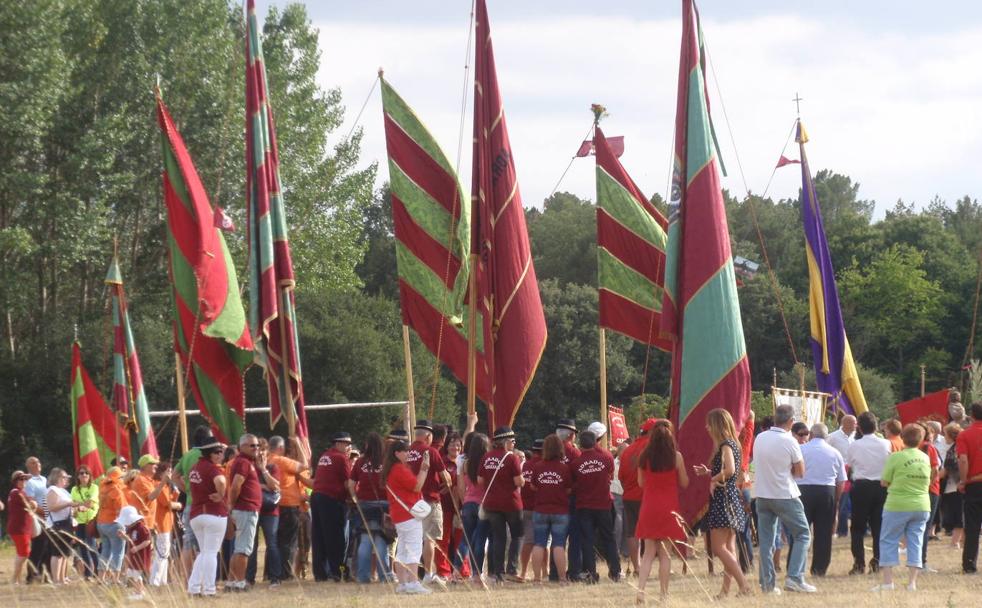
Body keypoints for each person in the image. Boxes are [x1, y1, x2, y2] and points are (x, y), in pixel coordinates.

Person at [753, 404, 815, 594]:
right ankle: (795, 578)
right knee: (803, 534)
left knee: (766, 542)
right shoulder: (789, 440)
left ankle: (767, 584)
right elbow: (800, 472)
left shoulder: (760, 438)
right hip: (784, 494)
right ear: (790, 422)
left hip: (762, 494)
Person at [698, 409, 753, 597]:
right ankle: (725, 591)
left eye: (709, 423)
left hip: (724, 499)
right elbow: (728, 470)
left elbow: (729, 470)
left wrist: (713, 478)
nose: (706, 427)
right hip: (729, 497)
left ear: (717, 425)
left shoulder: (725, 445)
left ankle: (744, 585)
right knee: (729, 548)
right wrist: (709, 472)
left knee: (718, 548)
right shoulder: (731, 444)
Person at [872, 424, 932, 592]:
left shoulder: (895, 457)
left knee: (888, 540)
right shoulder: (925, 457)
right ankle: (912, 583)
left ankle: (888, 582)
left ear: (903, 438)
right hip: (922, 504)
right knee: (915, 542)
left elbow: (884, 481)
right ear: (921, 439)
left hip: (898, 504)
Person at [635, 419, 688, 603]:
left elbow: (641, 483)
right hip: (669, 508)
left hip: (649, 506)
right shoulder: (677, 457)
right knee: (665, 554)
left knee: (648, 552)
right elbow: (684, 482)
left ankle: (640, 591)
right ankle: (663, 595)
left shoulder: (644, 456)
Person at [795, 423, 846, 577]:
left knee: (800, 532)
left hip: (803, 491)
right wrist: (836, 498)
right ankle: (819, 568)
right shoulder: (835, 452)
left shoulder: (801, 449)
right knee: (824, 532)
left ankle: (796, 567)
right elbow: (841, 480)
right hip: (826, 490)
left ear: (811, 434)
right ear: (827, 436)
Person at [383, 438, 432, 594]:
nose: (408, 453)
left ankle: (403, 583)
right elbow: (417, 486)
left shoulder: (391, 469)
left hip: (399, 514)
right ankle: (413, 582)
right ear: (397, 453)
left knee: (403, 549)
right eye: (405, 450)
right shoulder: (400, 469)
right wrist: (424, 469)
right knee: (414, 548)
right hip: (408, 514)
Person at [571, 429, 621, 583]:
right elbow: (611, 475)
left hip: (584, 506)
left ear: (581, 444)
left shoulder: (576, 463)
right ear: (595, 442)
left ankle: (591, 573)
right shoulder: (606, 457)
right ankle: (615, 571)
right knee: (609, 538)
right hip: (603, 504)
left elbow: (574, 484)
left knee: (588, 540)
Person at [846, 411, 891, 575]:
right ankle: (877, 561)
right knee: (878, 526)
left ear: (859, 428)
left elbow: (849, 465)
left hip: (861, 486)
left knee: (857, 527)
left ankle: (859, 563)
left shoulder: (854, 445)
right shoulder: (885, 443)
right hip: (881, 486)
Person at [406, 420, 450, 586]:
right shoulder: (430, 451)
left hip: (410, 501)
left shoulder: (406, 451)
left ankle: (410, 573)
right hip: (429, 500)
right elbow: (445, 476)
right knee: (429, 538)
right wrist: (447, 485)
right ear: (429, 436)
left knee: (412, 538)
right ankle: (428, 574)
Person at [478, 426, 524, 584]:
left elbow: (480, 481)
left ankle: (498, 572)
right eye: (512, 440)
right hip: (511, 503)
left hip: (491, 504)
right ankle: (511, 569)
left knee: (498, 538)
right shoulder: (512, 458)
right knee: (517, 535)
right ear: (506, 442)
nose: (514, 443)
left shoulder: (486, 457)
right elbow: (518, 481)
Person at [348, 432, 392, 584]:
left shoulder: (360, 462)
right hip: (384, 507)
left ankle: (363, 576)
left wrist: (356, 500)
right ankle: (384, 576)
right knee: (381, 542)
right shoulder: (387, 462)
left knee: (365, 541)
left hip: (365, 506)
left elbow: (351, 484)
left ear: (367, 445)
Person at [187, 436, 228, 597]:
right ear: (211, 454)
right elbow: (221, 481)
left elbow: (180, 479)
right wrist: (221, 494)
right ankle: (209, 589)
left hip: (196, 514)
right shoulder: (213, 468)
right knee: (211, 553)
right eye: (218, 452)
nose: (221, 454)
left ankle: (194, 587)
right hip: (213, 513)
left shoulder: (194, 467)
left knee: (204, 552)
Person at [172, 426, 213, 582]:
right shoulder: (207, 455)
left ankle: (188, 579)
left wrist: (188, 491)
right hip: (206, 505)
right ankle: (202, 579)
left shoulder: (187, 456)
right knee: (207, 544)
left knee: (188, 541)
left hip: (190, 503)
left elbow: (175, 476)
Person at [530, 434, 572, 583]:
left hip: (541, 509)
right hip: (560, 511)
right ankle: (562, 578)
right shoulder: (564, 468)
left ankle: (536, 578)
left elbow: (533, 486)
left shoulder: (538, 467)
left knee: (539, 543)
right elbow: (568, 489)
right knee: (559, 545)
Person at [311, 431, 353, 581]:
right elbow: (349, 483)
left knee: (319, 537)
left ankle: (320, 573)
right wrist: (353, 498)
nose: (349, 447)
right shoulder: (341, 458)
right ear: (338, 443)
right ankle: (338, 572)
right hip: (331, 499)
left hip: (317, 497)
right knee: (335, 538)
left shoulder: (324, 456)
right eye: (347, 444)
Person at [268, 434, 310, 581]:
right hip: (289, 504)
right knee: (288, 542)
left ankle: (271, 573)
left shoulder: (266, 459)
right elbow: (305, 465)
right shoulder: (281, 460)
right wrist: (299, 444)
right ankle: (285, 573)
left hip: (273, 505)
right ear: (280, 448)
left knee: (275, 541)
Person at [226, 433, 265, 590]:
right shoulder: (243, 462)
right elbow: (236, 485)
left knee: (239, 548)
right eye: (252, 445)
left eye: (257, 445)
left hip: (244, 509)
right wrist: (232, 505)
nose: (256, 448)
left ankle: (232, 581)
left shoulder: (247, 462)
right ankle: (240, 582)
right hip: (246, 509)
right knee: (244, 549)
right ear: (241, 447)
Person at [619, 418, 657, 576]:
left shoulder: (627, 450)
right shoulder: (653, 448)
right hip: (648, 496)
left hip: (629, 497)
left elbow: (621, 476)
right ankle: (650, 566)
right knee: (653, 533)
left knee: (632, 533)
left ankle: (637, 567)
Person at [246, 437, 282, 587]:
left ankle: (275, 578)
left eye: (263, 454)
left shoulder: (273, 468)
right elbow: (248, 485)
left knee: (272, 544)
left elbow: (275, 486)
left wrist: (263, 470)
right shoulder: (249, 467)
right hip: (254, 509)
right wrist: (263, 485)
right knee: (252, 545)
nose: (261, 456)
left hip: (270, 512)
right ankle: (249, 578)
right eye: (258, 453)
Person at [460, 432, 491, 580]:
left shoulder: (466, 463)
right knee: (480, 540)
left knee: (466, 540)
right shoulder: (486, 464)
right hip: (482, 504)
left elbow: (461, 485)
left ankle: (460, 570)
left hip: (467, 503)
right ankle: (478, 573)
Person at [957, 402, 982, 573]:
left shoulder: (965, 435)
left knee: (972, 526)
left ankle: (970, 565)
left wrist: (964, 481)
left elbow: (963, 460)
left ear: (971, 415)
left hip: (974, 485)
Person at [45, 467, 79, 584]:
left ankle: (62, 578)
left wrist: (77, 509)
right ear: (57, 477)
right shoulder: (52, 489)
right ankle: (56, 579)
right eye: (64, 477)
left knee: (64, 553)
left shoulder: (64, 491)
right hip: (57, 524)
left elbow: (68, 508)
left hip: (67, 523)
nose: (66, 480)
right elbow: (52, 507)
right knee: (57, 553)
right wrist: (68, 504)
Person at [150, 461, 180, 586]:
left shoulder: (167, 486)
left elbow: (172, 500)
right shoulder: (158, 484)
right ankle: (155, 581)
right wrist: (178, 505)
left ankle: (162, 580)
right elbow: (167, 504)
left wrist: (176, 491)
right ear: (162, 473)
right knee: (162, 553)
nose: (171, 474)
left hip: (167, 522)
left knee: (165, 553)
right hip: (161, 523)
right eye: (168, 471)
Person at [97, 466, 129, 583]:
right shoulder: (116, 490)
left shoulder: (102, 487)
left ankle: (101, 578)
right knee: (118, 552)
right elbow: (120, 511)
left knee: (105, 551)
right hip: (114, 523)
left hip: (101, 523)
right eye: (121, 477)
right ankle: (115, 579)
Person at [918, 422, 941, 572]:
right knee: (925, 527)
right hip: (930, 490)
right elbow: (934, 469)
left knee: (917, 528)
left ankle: (917, 560)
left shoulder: (911, 448)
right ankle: (922, 561)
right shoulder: (928, 447)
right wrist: (928, 485)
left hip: (915, 490)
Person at [518, 438, 542, 581]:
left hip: (524, 506)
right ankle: (545, 571)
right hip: (539, 506)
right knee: (543, 542)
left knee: (528, 540)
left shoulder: (524, 465)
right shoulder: (543, 465)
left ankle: (524, 571)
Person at [828, 415, 857, 538]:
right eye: (854, 423)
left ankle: (846, 530)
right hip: (839, 473)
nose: (856, 425)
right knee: (840, 503)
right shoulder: (833, 437)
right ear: (845, 423)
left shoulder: (855, 438)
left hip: (854, 472)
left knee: (849, 503)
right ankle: (839, 530)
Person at [71, 465, 100, 580]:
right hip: (79, 522)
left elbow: (91, 503)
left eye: (86, 473)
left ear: (90, 475)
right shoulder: (74, 489)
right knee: (82, 548)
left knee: (92, 547)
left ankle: (98, 572)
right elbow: (73, 504)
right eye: (81, 473)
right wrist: (78, 507)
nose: (84, 475)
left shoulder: (94, 487)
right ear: (77, 476)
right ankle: (88, 573)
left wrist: (81, 506)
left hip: (90, 521)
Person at [8, 471, 37, 584]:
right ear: (15, 481)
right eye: (21, 479)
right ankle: (14, 580)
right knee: (24, 553)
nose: (24, 481)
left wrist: (33, 504)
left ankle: (17, 580)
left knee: (21, 553)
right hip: (19, 529)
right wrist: (33, 503)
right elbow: (31, 505)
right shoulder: (16, 493)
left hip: (22, 528)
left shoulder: (19, 492)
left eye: (25, 479)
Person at [117, 505, 151, 600]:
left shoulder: (142, 528)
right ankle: (139, 590)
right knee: (132, 573)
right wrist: (123, 536)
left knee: (136, 574)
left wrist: (137, 548)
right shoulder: (131, 529)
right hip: (134, 557)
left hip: (141, 556)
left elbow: (147, 541)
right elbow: (130, 540)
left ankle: (139, 592)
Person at [24, 456, 49, 583]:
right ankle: (31, 576)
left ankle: (44, 574)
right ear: (28, 466)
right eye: (33, 462)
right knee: (38, 547)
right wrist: (44, 513)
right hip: (38, 518)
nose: (37, 464)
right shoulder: (29, 481)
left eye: (38, 461)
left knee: (46, 547)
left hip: (48, 517)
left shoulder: (44, 479)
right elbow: (30, 501)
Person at [940, 423, 964, 548]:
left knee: (957, 515)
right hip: (958, 484)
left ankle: (955, 542)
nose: (944, 437)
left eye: (945, 434)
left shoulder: (953, 449)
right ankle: (962, 541)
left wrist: (934, 476)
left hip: (955, 485)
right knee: (961, 514)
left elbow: (947, 469)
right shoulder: (958, 446)